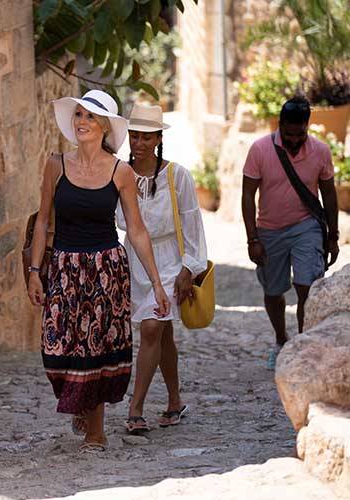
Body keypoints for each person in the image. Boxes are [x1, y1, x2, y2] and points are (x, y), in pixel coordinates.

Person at [27, 90, 170, 452]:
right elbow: (43, 220)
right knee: (57, 351)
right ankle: (78, 399)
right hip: (63, 267)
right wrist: (34, 270)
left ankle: (96, 430)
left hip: (106, 269)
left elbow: (136, 229)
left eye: (90, 117)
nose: (82, 122)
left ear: (104, 125)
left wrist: (156, 283)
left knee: (97, 348)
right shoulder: (55, 165)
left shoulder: (121, 172)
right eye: (78, 115)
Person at [116, 104, 208, 433]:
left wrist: (189, 268)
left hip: (169, 260)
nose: (138, 142)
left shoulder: (176, 175)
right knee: (163, 333)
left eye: (145, 136)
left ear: (157, 138)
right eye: (134, 135)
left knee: (152, 328)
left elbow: (192, 221)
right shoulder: (119, 173)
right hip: (134, 259)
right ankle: (174, 399)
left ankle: (135, 408)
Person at [242, 96, 339, 370]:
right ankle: (281, 339)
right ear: (280, 125)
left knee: (306, 283)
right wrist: (253, 239)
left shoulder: (320, 151)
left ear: (307, 127)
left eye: (300, 134)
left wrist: (332, 235)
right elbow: (248, 194)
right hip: (270, 229)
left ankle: (303, 345)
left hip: (306, 226)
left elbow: (329, 194)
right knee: (273, 291)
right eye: (289, 134)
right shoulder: (260, 149)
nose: (294, 140)